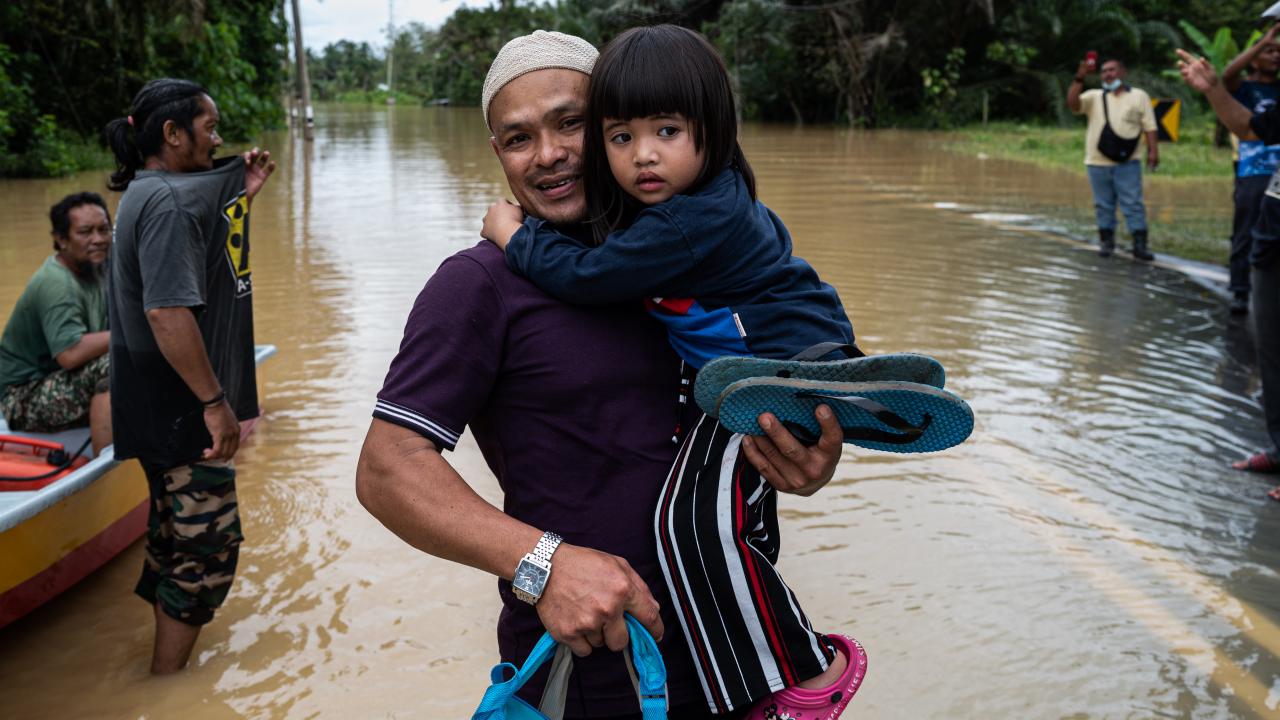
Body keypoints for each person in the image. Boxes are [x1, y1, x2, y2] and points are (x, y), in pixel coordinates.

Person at [356, 30, 846, 719]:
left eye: (571, 124)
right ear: (498, 153)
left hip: (741, 664)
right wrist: (544, 563)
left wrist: (802, 450)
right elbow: (387, 469)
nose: (548, 154)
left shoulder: (692, 256)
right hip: (593, 675)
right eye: (519, 138)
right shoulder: (481, 283)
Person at [103, 77, 275, 674]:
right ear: (173, 133)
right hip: (178, 405)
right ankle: (165, 685)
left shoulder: (147, 192)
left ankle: (156, 677)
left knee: (175, 534)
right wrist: (214, 402)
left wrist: (241, 195)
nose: (218, 139)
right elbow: (168, 311)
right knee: (207, 550)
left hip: (150, 399)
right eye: (209, 127)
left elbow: (197, 248)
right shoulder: (169, 205)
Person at [1178, 50, 1280, 487]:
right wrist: (1213, 89)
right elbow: (1250, 128)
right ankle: (1279, 449)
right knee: (1271, 353)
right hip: (1271, 240)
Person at [0, 192, 113, 454]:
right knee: (114, 362)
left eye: (103, 230)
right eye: (85, 232)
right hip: (21, 398)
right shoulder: (57, 283)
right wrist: (129, 333)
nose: (98, 239)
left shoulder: (94, 267)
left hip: (58, 381)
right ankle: (105, 463)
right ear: (61, 239)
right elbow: (70, 354)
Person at [1067, 55, 1159, 260]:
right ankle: (1106, 242)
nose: (1107, 74)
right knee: (1103, 205)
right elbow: (1073, 104)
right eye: (1104, 71)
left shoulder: (1139, 96)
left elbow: (1150, 126)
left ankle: (1140, 246)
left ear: (1123, 72)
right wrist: (1079, 79)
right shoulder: (1094, 96)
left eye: (1112, 70)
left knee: (1133, 204)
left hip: (1129, 162)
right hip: (1097, 162)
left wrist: (1153, 151)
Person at [1224, 26, 1280, 315]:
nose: (1275, 56)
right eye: (1269, 52)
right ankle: (1240, 289)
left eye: (1279, 52)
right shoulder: (1245, 89)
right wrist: (1261, 42)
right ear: (1255, 59)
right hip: (1251, 169)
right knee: (1245, 229)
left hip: (1278, 173)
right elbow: (1227, 76)